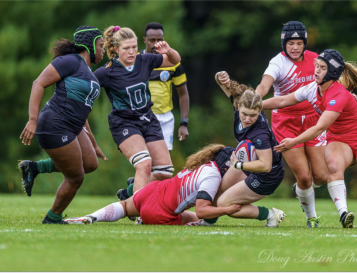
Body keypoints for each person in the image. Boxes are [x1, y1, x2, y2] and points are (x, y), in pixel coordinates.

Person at [263, 49, 357, 229]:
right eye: (316, 66)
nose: (316, 70)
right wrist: (255, 105)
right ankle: (343, 214)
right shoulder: (312, 89)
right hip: (337, 138)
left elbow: (319, 127)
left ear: (333, 72)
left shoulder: (339, 94)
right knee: (333, 167)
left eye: (322, 68)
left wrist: (293, 141)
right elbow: (281, 101)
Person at [19, 26, 106, 224]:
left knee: (91, 163)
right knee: (76, 177)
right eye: (101, 46)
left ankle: (34, 168)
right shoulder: (70, 61)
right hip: (55, 124)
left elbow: (82, 111)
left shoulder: (89, 73)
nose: (103, 50)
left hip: (73, 126)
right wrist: (32, 120)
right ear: (90, 45)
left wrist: (93, 143)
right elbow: (38, 83)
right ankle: (52, 218)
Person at [254, 21, 329, 227]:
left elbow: (334, 80)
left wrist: (348, 93)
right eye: (290, 43)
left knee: (322, 176)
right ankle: (311, 217)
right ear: (283, 44)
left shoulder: (316, 59)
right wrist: (254, 98)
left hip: (313, 119)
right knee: (304, 177)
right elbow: (264, 85)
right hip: (286, 122)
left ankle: (301, 191)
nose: (295, 47)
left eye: (299, 43)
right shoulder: (277, 63)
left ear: (304, 43)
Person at [93, 26, 181, 199]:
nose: (132, 52)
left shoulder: (144, 60)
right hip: (124, 122)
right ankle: (138, 209)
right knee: (144, 164)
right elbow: (84, 86)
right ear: (116, 49)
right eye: (126, 48)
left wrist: (168, 51)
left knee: (165, 172)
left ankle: (129, 192)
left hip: (148, 118)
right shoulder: (106, 72)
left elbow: (174, 61)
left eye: (134, 47)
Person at [64, 144, 245, 226]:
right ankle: (144, 219)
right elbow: (202, 211)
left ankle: (91, 217)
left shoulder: (202, 165)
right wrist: (227, 210)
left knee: (125, 207)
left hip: (153, 190)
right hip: (161, 212)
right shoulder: (213, 176)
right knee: (196, 218)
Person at [213, 71, 286, 227]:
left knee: (224, 204)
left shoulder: (260, 134)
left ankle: (270, 215)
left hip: (268, 176)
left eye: (253, 115)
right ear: (238, 106)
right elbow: (221, 84)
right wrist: (220, 77)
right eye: (244, 114)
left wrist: (238, 165)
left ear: (260, 111)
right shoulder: (240, 105)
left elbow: (265, 166)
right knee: (217, 191)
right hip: (250, 166)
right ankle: (207, 222)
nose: (247, 119)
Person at [141, 22, 190, 150]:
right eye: (152, 40)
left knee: (164, 163)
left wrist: (184, 123)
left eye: (160, 40)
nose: (156, 44)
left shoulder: (173, 63)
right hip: (142, 116)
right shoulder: (136, 61)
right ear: (144, 40)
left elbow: (183, 93)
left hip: (165, 118)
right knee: (146, 160)